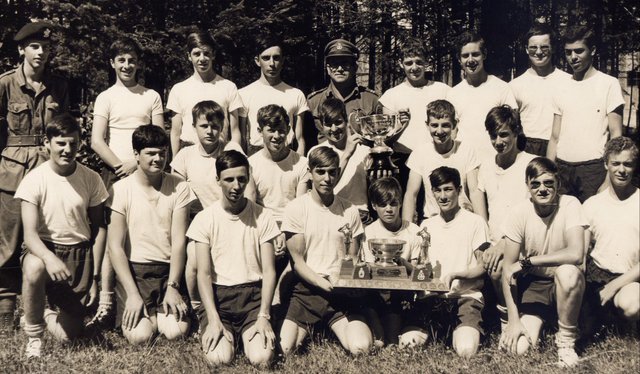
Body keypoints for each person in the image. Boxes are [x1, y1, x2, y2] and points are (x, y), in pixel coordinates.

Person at [16, 114, 108, 357]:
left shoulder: (91, 178)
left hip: (79, 253)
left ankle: (41, 312)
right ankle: (34, 336)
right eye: (61, 143)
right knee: (34, 266)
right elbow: (30, 236)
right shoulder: (34, 179)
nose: (68, 150)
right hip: (44, 248)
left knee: (71, 334)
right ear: (47, 144)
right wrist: (50, 258)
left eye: (73, 144)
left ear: (80, 144)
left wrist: (95, 276)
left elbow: (99, 228)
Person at [89, 36, 164, 329]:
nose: (127, 65)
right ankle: (107, 302)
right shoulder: (106, 97)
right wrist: (122, 166)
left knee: (144, 230)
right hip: (115, 172)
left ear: (138, 63)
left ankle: (148, 298)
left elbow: (158, 136)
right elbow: (97, 140)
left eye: (132, 60)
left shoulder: (151, 96)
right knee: (112, 236)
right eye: (121, 60)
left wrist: (139, 163)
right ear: (112, 63)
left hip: (146, 170)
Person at [0, 22, 69, 329]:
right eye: (34, 46)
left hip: (48, 170)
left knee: (49, 234)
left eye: (45, 46)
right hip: (12, 170)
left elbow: (65, 130)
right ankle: (5, 308)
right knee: (8, 242)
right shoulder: (4, 84)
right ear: (21, 50)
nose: (41, 52)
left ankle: (49, 304)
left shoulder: (59, 86)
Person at [188, 150, 279, 367]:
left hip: (252, 298)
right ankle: (223, 332)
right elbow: (203, 273)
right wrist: (213, 319)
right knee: (218, 359)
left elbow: (268, 271)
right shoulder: (205, 219)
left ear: (248, 178)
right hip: (219, 298)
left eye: (241, 179)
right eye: (229, 179)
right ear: (218, 180)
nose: (236, 186)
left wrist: (263, 315)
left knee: (262, 358)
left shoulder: (263, 216)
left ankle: (246, 336)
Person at [279, 146, 373, 355]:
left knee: (361, 348)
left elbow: (354, 258)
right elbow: (298, 263)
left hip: (340, 292)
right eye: (320, 171)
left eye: (332, 172)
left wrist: (344, 284)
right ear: (310, 172)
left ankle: (333, 323)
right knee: (286, 348)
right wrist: (323, 283)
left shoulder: (350, 210)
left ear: (338, 173)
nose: (326, 178)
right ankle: (312, 323)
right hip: (307, 290)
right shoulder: (296, 209)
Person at [108, 125, 192, 345]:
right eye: (150, 153)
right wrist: (133, 294)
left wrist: (173, 287)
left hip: (168, 272)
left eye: (162, 153)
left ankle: (159, 313)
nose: (158, 159)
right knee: (140, 336)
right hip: (136, 272)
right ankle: (147, 313)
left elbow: (179, 241)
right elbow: (115, 247)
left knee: (176, 332)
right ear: (136, 155)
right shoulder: (121, 189)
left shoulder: (179, 187)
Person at [500, 157, 587, 367]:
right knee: (518, 349)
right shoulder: (518, 213)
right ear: (527, 186)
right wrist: (513, 320)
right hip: (536, 285)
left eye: (549, 183)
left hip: (564, 283)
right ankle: (543, 323)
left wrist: (529, 261)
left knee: (568, 272)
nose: (543, 189)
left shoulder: (570, 204)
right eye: (536, 184)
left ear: (557, 184)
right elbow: (508, 271)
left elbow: (577, 254)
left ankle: (565, 343)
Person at [171, 100, 255, 310]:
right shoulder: (185, 156)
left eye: (215, 126)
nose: (210, 131)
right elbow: (178, 196)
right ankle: (197, 307)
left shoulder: (230, 148)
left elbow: (248, 184)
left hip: (233, 218)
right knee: (193, 259)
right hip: (200, 225)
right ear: (193, 127)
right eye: (204, 126)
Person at [401, 167, 489, 357]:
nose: (442, 196)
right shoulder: (426, 225)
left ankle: (460, 331)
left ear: (459, 190)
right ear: (432, 192)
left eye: (448, 189)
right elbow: (420, 269)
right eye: (438, 190)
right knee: (407, 346)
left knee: (466, 350)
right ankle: (435, 331)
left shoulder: (475, 222)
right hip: (430, 300)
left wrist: (456, 275)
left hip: (465, 297)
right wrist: (400, 263)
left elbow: (482, 267)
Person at [547, 25, 624, 203]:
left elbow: (616, 137)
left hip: (593, 170)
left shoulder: (608, 84)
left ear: (593, 51)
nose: (573, 57)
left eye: (579, 51)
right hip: (562, 169)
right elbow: (554, 136)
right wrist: (549, 172)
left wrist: (608, 179)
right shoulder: (560, 86)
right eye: (568, 52)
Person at [478, 106, 537, 325]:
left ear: (516, 132)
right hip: (494, 240)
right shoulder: (486, 165)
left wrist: (503, 244)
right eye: (493, 136)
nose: (498, 141)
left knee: (498, 270)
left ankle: (509, 320)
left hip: (522, 241)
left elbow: (531, 212)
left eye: (504, 134)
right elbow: (481, 205)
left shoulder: (530, 163)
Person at [248, 105, 309, 303]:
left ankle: (285, 296)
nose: (276, 136)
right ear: (259, 131)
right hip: (264, 226)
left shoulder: (301, 163)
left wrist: (285, 232)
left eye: (281, 130)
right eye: (270, 130)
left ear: (289, 130)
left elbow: (300, 206)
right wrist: (272, 233)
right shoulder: (251, 164)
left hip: (293, 227)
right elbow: (251, 206)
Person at [582, 137, 639, 332]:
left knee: (632, 305)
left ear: (634, 167)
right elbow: (581, 253)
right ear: (606, 164)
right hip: (597, 275)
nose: (621, 170)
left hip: (630, 277)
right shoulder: (592, 205)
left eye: (627, 164)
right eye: (615, 163)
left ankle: (622, 324)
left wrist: (614, 286)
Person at [361, 177, 422, 345]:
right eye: (383, 205)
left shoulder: (414, 232)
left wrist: (402, 263)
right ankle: (377, 328)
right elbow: (367, 269)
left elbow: (418, 272)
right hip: (376, 294)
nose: (389, 209)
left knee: (392, 339)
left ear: (401, 203)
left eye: (393, 204)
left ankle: (392, 332)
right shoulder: (369, 233)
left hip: (403, 294)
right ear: (374, 206)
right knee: (380, 340)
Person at [402, 100, 485, 223]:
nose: (439, 131)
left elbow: (474, 191)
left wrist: (483, 226)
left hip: (463, 219)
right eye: (434, 125)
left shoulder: (466, 150)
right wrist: (407, 232)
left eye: (445, 125)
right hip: (433, 219)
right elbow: (411, 194)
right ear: (427, 125)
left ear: (454, 125)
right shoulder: (420, 153)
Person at [167, 31, 244, 156]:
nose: (202, 59)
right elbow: (175, 132)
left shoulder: (228, 87)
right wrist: (175, 163)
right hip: (189, 153)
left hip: (220, 153)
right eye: (197, 54)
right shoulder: (179, 89)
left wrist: (234, 159)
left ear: (213, 55)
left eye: (206, 53)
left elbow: (235, 131)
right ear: (189, 56)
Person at [447, 31, 517, 162]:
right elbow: (451, 133)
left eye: (475, 54)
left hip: (495, 161)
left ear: (484, 55)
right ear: (459, 59)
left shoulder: (502, 88)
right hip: (464, 162)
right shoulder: (453, 94)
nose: (471, 60)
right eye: (465, 55)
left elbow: (513, 129)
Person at [239, 36, 309, 156]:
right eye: (266, 58)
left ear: (282, 60)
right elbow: (241, 139)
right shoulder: (243, 94)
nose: (272, 63)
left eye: (276, 58)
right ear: (257, 61)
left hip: (288, 156)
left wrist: (301, 165)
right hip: (256, 155)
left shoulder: (296, 94)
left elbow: (300, 138)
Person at [379, 37, 450, 153]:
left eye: (419, 62)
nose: (414, 68)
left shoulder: (443, 90)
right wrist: (401, 124)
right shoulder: (390, 96)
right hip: (403, 158)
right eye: (408, 63)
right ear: (401, 64)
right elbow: (387, 138)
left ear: (426, 62)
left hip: (437, 156)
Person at [509, 24, 571, 156]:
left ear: (553, 48)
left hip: (562, 147)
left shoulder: (569, 81)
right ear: (526, 49)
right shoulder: (515, 85)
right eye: (533, 48)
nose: (538, 52)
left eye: (544, 47)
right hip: (527, 147)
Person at [306, 39, 378, 148]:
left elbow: (379, 139)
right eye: (334, 65)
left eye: (345, 63)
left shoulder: (371, 100)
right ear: (328, 70)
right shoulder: (314, 101)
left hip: (361, 161)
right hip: (327, 162)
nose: (339, 69)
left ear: (355, 68)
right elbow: (307, 140)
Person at [308, 98, 370, 222]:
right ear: (321, 126)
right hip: (329, 214)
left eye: (338, 122)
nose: (334, 129)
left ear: (347, 121)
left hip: (360, 214)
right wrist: (347, 153)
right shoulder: (317, 150)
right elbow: (326, 186)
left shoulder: (365, 150)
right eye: (328, 124)